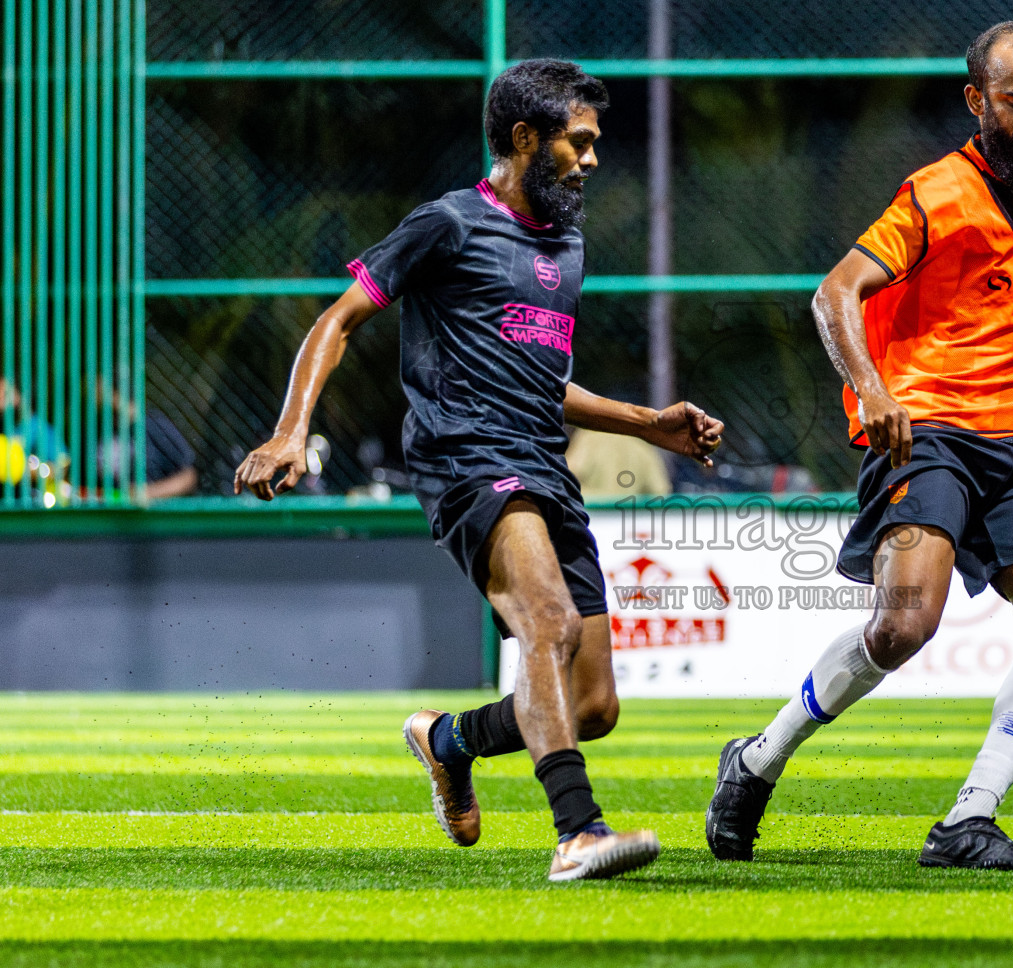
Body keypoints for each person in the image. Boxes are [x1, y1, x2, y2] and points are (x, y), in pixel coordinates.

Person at [234, 59, 724, 882]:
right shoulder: (448, 223)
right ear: (526, 138)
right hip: (465, 454)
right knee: (548, 622)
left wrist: (651, 424)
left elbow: (542, 379)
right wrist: (291, 431)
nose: (593, 159)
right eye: (581, 142)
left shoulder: (565, 245)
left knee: (595, 703)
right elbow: (340, 318)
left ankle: (448, 739)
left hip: (542, 459)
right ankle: (578, 831)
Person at [705, 21, 1013, 872]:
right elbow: (834, 293)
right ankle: (757, 760)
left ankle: (968, 822)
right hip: (929, 432)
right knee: (903, 626)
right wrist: (875, 392)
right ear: (977, 102)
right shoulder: (936, 194)